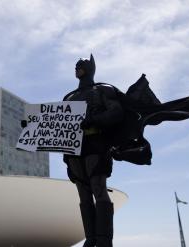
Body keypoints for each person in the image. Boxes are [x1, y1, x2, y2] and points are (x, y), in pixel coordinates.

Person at [63, 54, 124, 247]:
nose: (77, 67)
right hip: (74, 148)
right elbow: (60, 125)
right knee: (82, 191)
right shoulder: (68, 97)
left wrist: (95, 120)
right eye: (76, 65)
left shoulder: (102, 90)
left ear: (90, 69)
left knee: (98, 187)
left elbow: (116, 112)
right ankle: (90, 238)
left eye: (82, 65)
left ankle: (104, 240)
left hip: (96, 142)